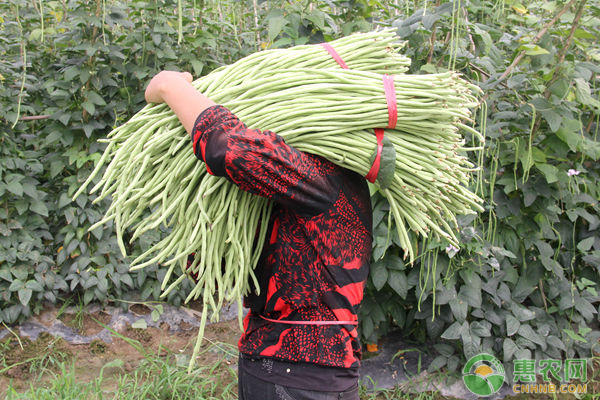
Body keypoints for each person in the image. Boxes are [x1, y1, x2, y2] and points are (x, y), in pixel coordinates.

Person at [145, 71, 373, 400]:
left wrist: (171, 85)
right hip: (270, 367)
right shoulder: (286, 195)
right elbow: (218, 280)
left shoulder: (325, 178)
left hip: (303, 377)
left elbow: (226, 146)